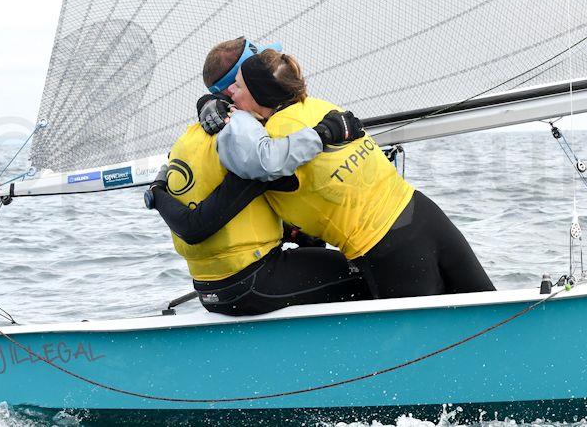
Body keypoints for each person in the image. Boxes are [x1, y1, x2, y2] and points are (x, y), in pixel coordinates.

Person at [189, 44, 496, 299]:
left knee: (423, 352)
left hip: (386, 249)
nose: (230, 94)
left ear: (256, 94)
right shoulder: (319, 105)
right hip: (425, 215)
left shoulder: (272, 139)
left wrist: (212, 107)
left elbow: (260, 163)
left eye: (237, 88)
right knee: (493, 315)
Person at [147, 37, 370, 316]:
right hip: (249, 284)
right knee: (366, 272)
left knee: (313, 249)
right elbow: (197, 226)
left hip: (214, 286)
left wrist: (156, 192)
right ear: (240, 88)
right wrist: (327, 133)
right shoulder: (246, 148)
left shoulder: (189, 137)